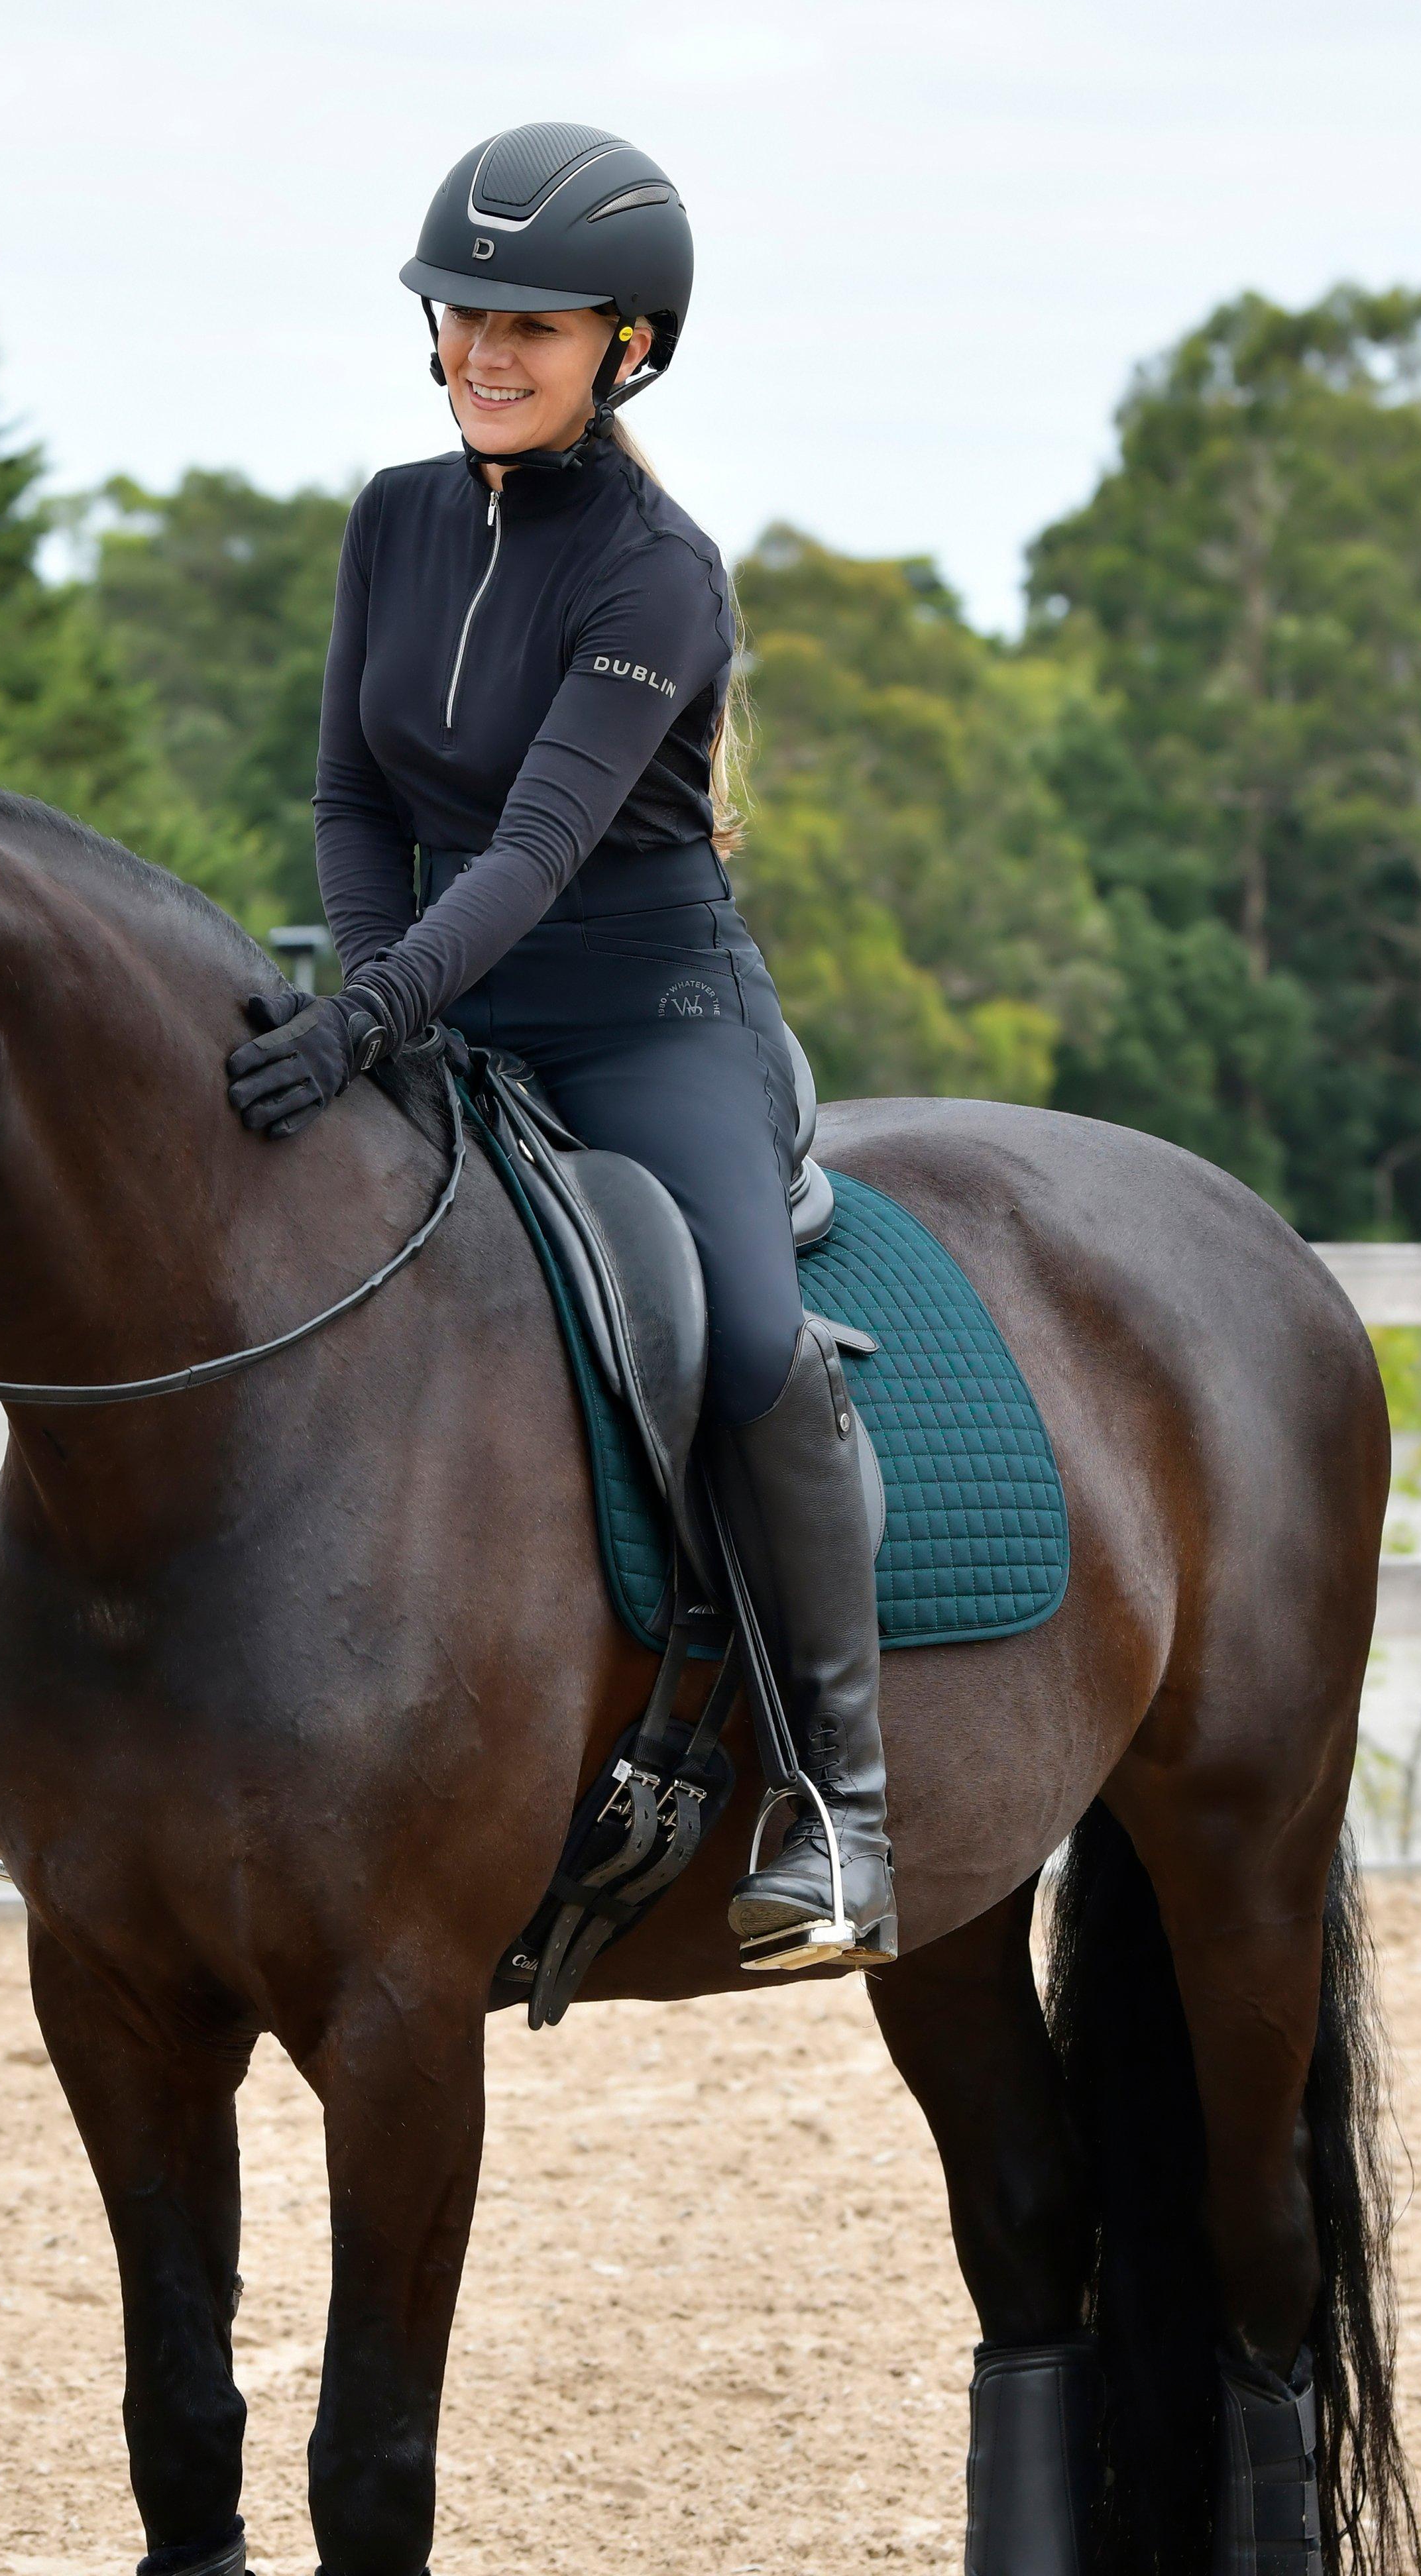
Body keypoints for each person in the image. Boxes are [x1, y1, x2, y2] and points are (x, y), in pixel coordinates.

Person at [219, 123, 894, 1968]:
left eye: (533, 323)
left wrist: (375, 1011)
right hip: (440, 981)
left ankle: (840, 1796)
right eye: (461, 317)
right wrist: (372, 990)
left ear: (630, 346)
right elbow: (354, 790)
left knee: (747, 1336)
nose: (485, 353)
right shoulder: (392, 518)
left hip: (647, 1006)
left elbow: (534, 848)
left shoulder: (659, 571)